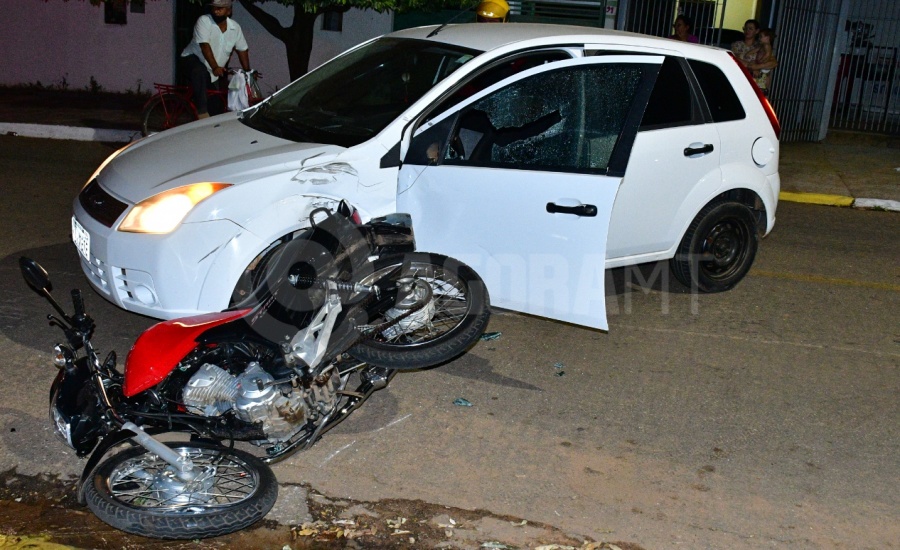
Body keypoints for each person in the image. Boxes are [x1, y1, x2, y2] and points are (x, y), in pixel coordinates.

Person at [180, 0, 251, 118]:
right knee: (200, 71)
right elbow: (204, 46)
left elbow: (242, 50)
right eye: (214, 8)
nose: (216, 11)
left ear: (229, 11)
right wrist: (215, 67)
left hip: (211, 71)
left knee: (216, 106)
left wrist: (248, 71)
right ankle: (202, 112)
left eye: (220, 8)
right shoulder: (204, 21)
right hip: (191, 60)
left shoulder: (235, 28)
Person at [748, 28, 778, 93]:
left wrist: (760, 63)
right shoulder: (762, 46)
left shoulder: (767, 46)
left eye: (761, 37)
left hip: (763, 68)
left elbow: (767, 55)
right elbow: (755, 50)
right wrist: (749, 54)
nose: (759, 38)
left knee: (760, 82)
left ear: (767, 38)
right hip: (760, 66)